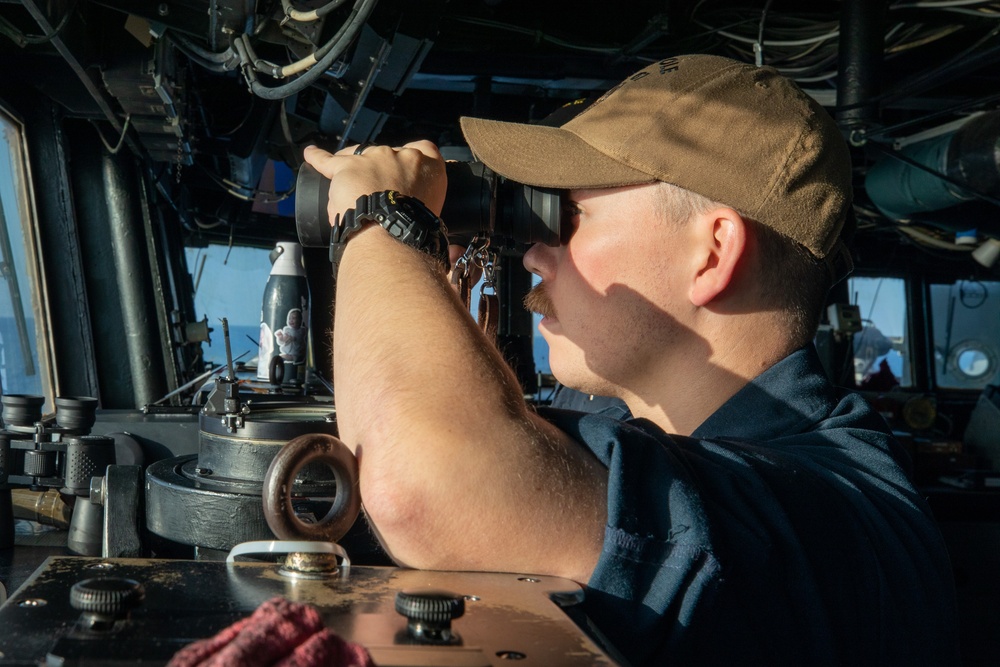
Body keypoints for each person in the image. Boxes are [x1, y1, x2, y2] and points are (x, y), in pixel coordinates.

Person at [302, 54, 960, 666]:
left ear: (711, 254)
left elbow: (418, 484)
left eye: (570, 213)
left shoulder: (830, 513)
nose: (533, 251)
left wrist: (380, 217)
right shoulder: (668, 431)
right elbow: (420, 451)